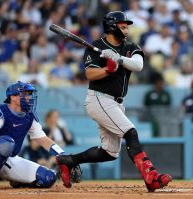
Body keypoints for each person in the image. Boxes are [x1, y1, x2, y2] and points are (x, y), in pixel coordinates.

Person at [55, 11, 172, 192]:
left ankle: (69, 161)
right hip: (99, 98)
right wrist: (107, 70)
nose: (126, 30)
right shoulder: (96, 46)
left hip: (116, 103)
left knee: (110, 152)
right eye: (123, 26)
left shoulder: (129, 46)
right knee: (130, 133)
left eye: (127, 27)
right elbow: (90, 74)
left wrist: (119, 58)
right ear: (112, 27)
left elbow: (138, 65)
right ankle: (151, 177)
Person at [0, 81, 79, 189]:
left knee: (48, 178)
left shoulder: (29, 115)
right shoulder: (0, 112)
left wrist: (63, 155)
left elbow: (43, 139)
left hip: (9, 159)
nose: (28, 97)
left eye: (29, 94)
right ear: (12, 97)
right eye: (25, 93)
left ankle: (17, 180)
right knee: (6, 143)